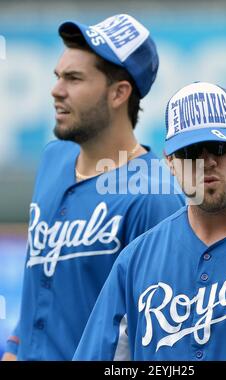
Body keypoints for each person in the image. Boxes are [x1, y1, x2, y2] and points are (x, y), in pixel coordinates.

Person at [73, 81, 226, 361]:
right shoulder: (135, 261)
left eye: (217, 146)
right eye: (190, 151)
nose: (205, 161)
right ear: (170, 161)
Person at [2, 14, 184, 361]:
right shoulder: (54, 158)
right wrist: (14, 351)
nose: (56, 90)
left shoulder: (156, 196)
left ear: (119, 93)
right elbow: (40, 291)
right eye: (57, 76)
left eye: (73, 78)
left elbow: (162, 338)